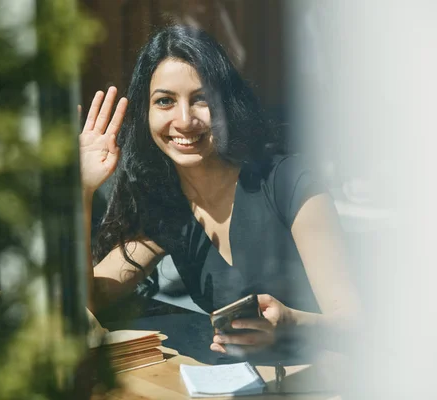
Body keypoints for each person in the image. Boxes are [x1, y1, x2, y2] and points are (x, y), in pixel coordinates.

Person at [80, 25, 360, 356]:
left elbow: (354, 326)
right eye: (165, 101)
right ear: (146, 113)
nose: (184, 120)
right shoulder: (166, 204)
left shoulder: (288, 181)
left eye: (201, 99)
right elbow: (90, 300)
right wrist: (80, 193)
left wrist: (290, 323)